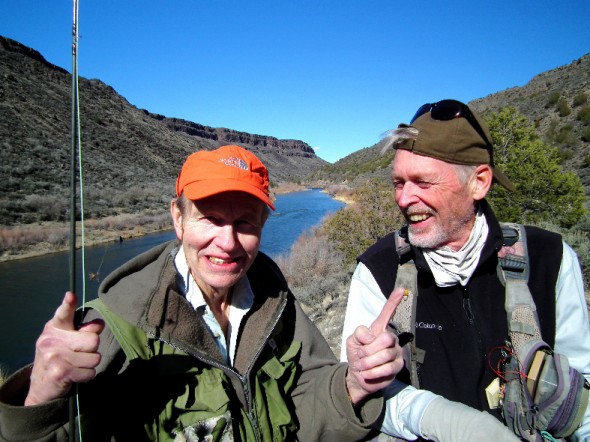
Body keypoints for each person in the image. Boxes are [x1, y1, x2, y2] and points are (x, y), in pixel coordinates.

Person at [0, 145, 404, 441]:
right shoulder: (110, 327)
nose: (227, 242)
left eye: (245, 222)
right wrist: (40, 396)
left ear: (263, 225)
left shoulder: (274, 300)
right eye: (209, 219)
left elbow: (305, 397)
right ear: (178, 219)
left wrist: (354, 384)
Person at [340, 100, 590, 441]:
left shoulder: (552, 259)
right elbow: (363, 396)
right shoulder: (377, 269)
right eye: (398, 183)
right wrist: (448, 423)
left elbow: (582, 383)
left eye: (423, 183)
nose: (403, 198)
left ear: (479, 182)